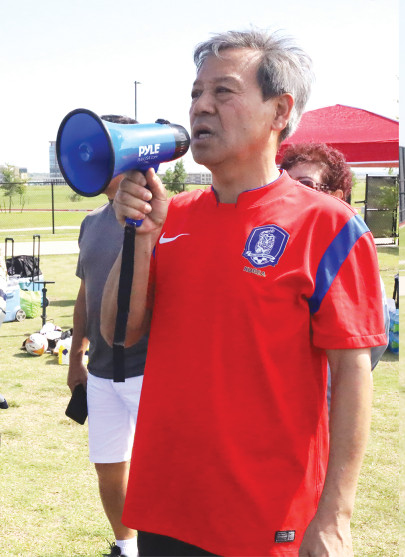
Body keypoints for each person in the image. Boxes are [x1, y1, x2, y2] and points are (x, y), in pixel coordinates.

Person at [100, 30, 386, 556]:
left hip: (268, 517)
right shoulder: (173, 215)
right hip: (168, 504)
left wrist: (335, 516)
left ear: (280, 111)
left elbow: (352, 372)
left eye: (223, 92)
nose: (200, 106)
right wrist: (140, 240)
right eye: (194, 93)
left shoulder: (329, 226)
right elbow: (120, 330)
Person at [67, 114, 145, 557]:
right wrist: (77, 356)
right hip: (99, 374)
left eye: (102, 152)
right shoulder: (91, 221)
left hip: (149, 370)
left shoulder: (163, 216)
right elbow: (85, 293)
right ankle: (125, 546)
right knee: (108, 468)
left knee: (160, 470)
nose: (90, 163)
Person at [280, 142, 388, 372]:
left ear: (337, 196)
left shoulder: (347, 254)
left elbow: (366, 349)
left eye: (305, 184)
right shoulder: (273, 249)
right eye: (286, 183)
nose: (293, 193)